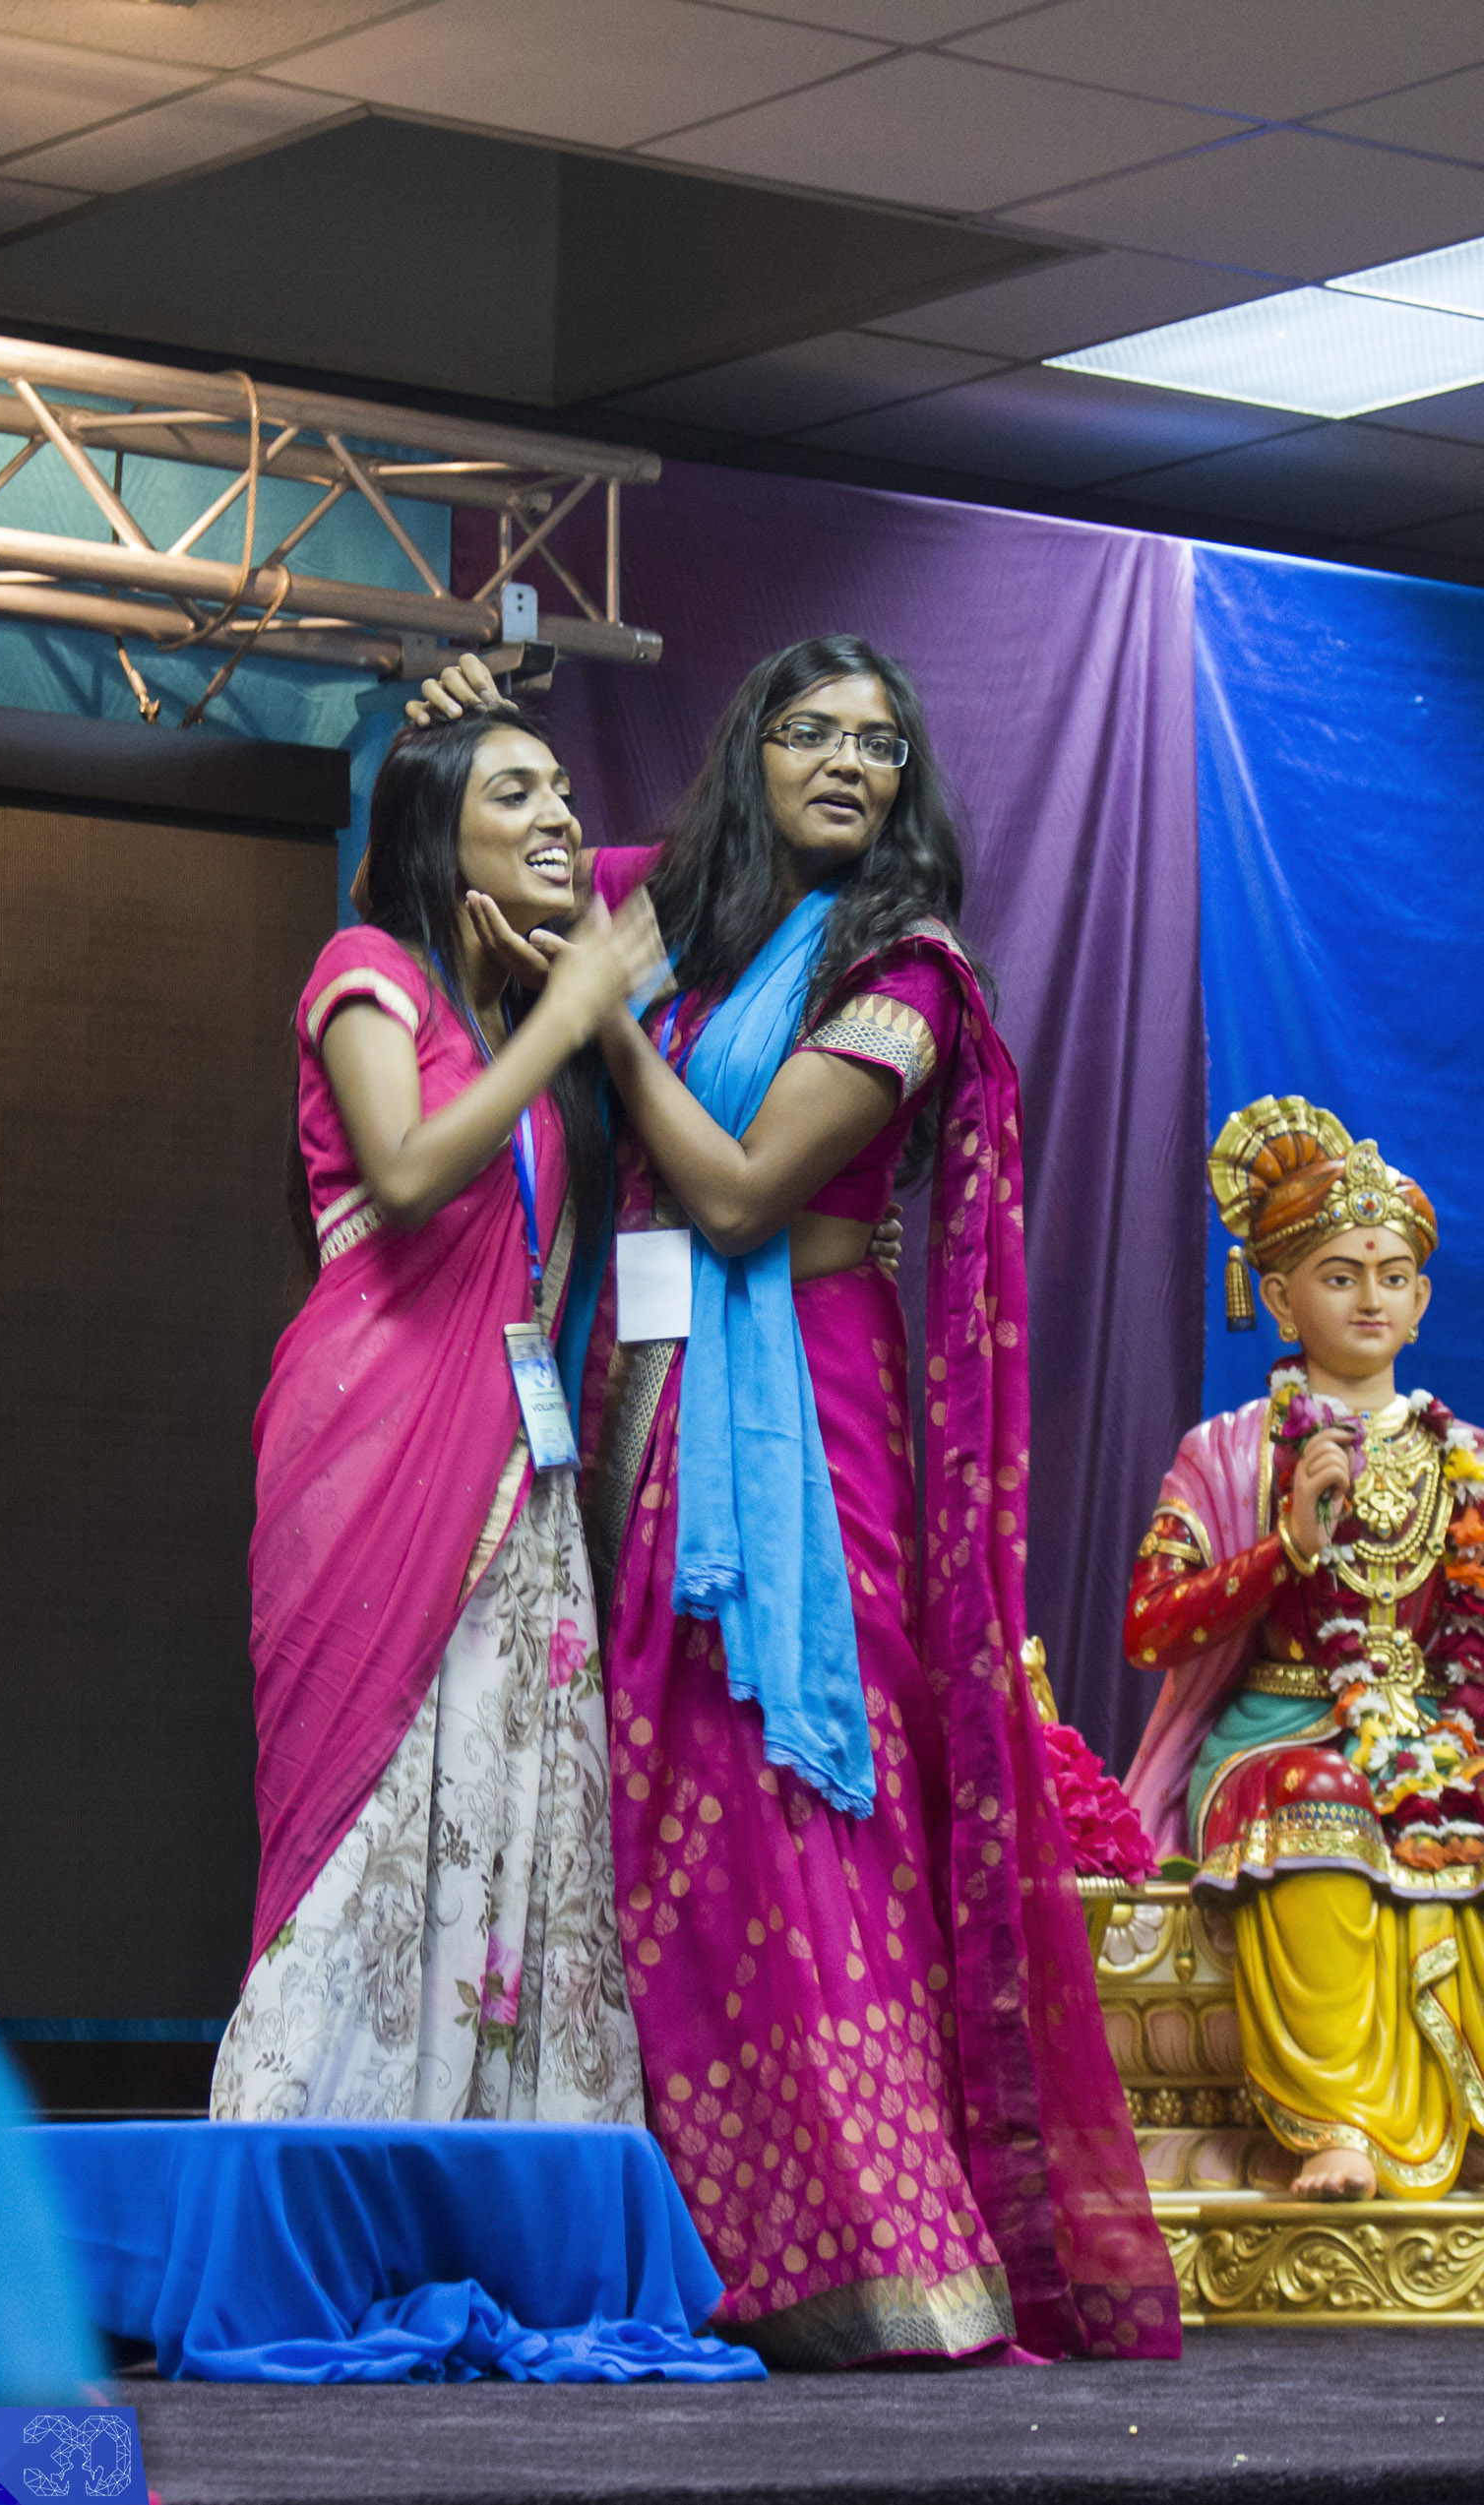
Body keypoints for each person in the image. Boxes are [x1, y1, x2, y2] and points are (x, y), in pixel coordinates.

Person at [420, 640, 1177, 2365]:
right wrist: (452, 728)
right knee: (643, 1802)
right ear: (751, 751)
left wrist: (603, 1018)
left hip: (809, 1416)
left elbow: (747, 1194)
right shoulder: (676, 907)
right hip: (635, 1393)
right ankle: (669, 2238)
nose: (847, 761)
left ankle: (871, 2248)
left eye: (881, 745)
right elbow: (499, 855)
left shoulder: (908, 970)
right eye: (812, 731)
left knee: (789, 1781)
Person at [212, 710, 661, 2124]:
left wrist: (566, 1005)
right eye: (514, 792)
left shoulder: (525, 1014)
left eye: (566, 790)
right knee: (369, 1806)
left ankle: (491, 2171)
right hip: (373, 1437)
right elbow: (404, 1173)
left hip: (520, 1473)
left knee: (515, 1802)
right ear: (434, 834)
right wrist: (572, 1016)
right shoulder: (369, 970)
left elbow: (678, 887)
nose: (559, 816)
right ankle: (314, 2153)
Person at [1125, 1095, 1484, 2199]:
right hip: (1276, 1734)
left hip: (1437, 1727)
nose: (1369, 1297)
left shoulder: (1465, 1460)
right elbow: (1149, 1627)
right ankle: (1340, 2119)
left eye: (1391, 1275)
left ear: (1421, 1302)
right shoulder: (1228, 1451)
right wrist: (1281, 1549)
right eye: (1339, 1275)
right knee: (1323, 1797)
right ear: (1279, 1297)